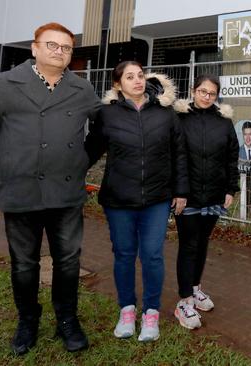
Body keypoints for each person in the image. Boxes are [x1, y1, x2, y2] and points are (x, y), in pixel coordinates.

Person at [0, 23, 100, 355]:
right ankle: (28, 320)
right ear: (35, 47)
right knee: (24, 264)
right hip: (20, 192)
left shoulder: (82, 88)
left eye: (66, 48)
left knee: (68, 261)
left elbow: (108, 124)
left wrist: (81, 159)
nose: (59, 52)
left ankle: (67, 320)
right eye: (52, 45)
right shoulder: (2, 85)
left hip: (65, 193)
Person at [85, 61, 188, 341]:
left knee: (153, 255)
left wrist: (181, 191)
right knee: (124, 255)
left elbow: (179, 153)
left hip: (157, 198)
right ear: (118, 85)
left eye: (140, 75)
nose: (138, 80)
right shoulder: (107, 115)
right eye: (129, 77)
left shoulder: (165, 114)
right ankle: (127, 311)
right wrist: (67, 176)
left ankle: (151, 313)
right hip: (119, 199)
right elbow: (90, 150)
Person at [172, 75, 239, 329]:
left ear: (217, 96)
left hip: (214, 195)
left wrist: (231, 188)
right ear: (193, 91)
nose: (206, 96)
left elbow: (232, 157)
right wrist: (178, 190)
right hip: (186, 196)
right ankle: (184, 301)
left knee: (202, 245)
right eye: (202, 91)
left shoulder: (223, 122)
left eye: (211, 93)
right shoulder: (180, 119)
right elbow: (174, 156)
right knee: (188, 246)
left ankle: (196, 289)